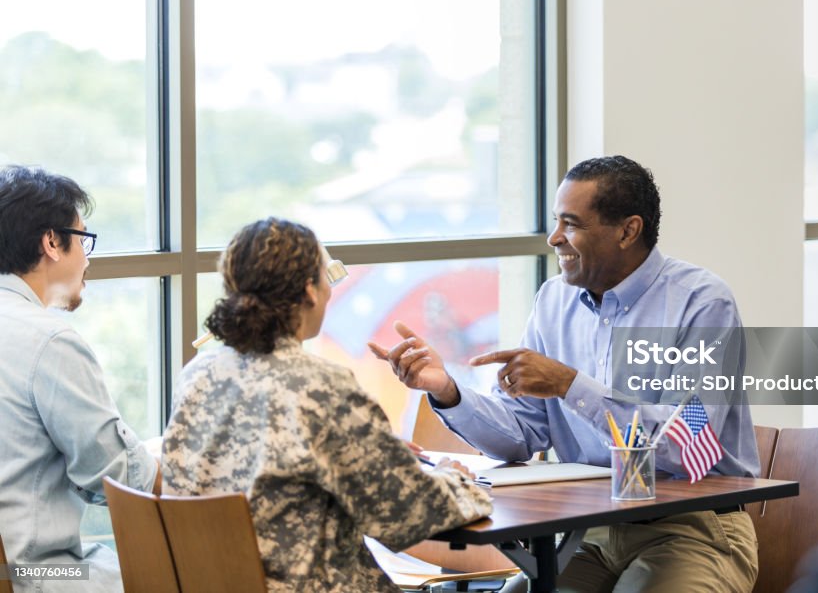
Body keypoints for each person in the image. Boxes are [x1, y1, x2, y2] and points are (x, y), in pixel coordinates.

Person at [370, 155, 760, 593]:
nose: (555, 238)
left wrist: (569, 385)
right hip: (588, 534)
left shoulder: (703, 304)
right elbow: (522, 433)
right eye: (557, 221)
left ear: (628, 231)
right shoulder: (554, 300)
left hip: (692, 530)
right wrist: (445, 389)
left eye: (571, 224)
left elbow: (687, 443)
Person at [161, 217, 492, 592]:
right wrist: (456, 477)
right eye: (325, 278)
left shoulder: (199, 374)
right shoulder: (322, 386)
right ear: (310, 290)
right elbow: (408, 516)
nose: (331, 291)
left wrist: (372, 452)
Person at [0, 165, 160, 592]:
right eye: (83, 240)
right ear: (52, 242)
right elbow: (118, 475)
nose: (87, 259)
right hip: (38, 571)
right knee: (176, 576)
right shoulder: (49, 340)